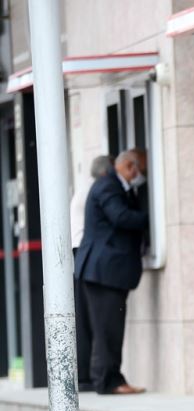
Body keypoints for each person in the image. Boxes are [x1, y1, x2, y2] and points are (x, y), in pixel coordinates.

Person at [74, 150, 149, 394]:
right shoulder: (109, 186)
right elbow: (120, 217)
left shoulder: (111, 185)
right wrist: (149, 218)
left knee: (108, 328)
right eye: (140, 169)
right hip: (103, 271)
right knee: (107, 329)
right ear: (128, 166)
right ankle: (109, 381)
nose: (141, 175)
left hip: (105, 271)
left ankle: (109, 378)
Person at [71, 154, 115, 392]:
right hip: (84, 253)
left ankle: (85, 375)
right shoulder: (95, 189)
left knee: (85, 317)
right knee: (88, 318)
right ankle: (86, 376)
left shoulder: (85, 186)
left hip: (80, 253)